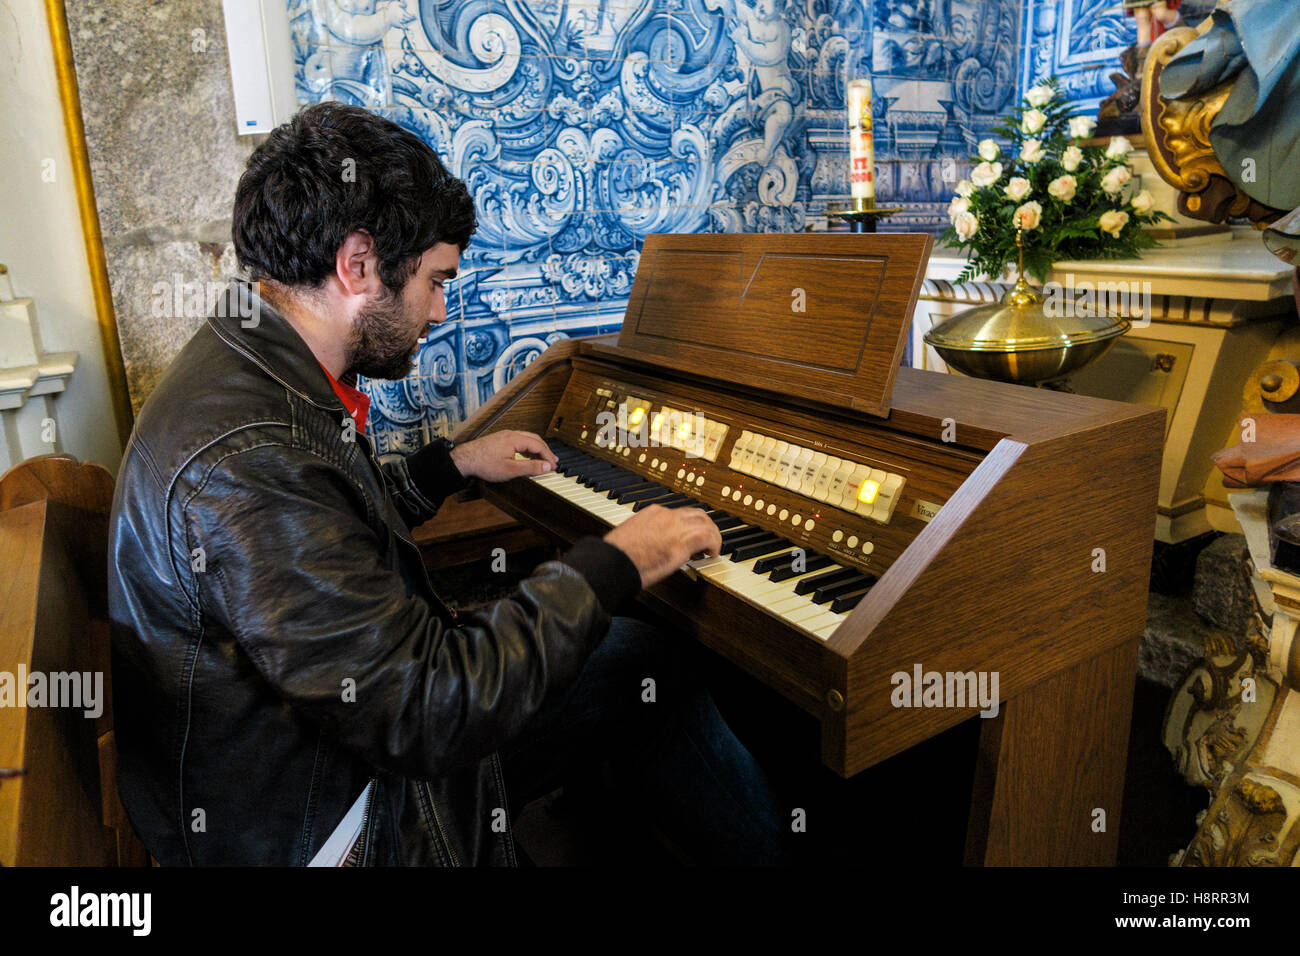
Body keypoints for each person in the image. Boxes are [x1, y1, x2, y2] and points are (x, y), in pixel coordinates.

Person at [107, 101, 788, 866]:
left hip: (300, 774)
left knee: (628, 653)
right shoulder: (250, 456)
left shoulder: (249, 366)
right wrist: (618, 560)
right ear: (357, 264)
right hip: (339, 828)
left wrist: (450, 466)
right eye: (434, 281)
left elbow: (325, 547)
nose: (437, 310)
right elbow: (428, 712)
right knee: (647, 660)